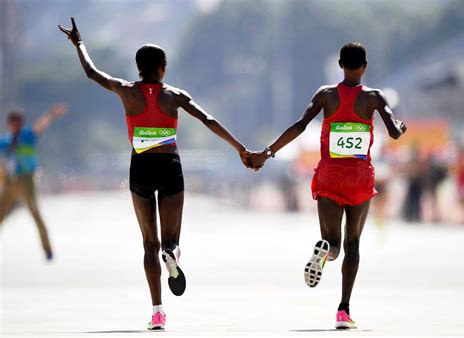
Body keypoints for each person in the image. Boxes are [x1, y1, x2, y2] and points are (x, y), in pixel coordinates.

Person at [59, 17, 250, 330]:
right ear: (163, 66)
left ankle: (158, 312)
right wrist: (241, 149)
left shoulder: (126, 91)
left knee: (148, 244)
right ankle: (172, 253)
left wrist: (79, 43)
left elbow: (92, 73)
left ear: (138, 67)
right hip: (170, 167)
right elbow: (209, 120)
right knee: (169, 240)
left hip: (141, 168)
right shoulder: (173, 96)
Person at [248, 42, 406, 329]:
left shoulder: (326, 95)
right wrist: (398, 124)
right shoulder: (373, 97)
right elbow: (394, 133)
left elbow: (299, 126)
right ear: (364, 67)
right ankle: (343, 311)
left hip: (330, 175)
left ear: (340, 65)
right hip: (359, 178)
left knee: (333, 243)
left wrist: (267, 153)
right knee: (353, 243)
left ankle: (325, 250)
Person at [0, 104, 67, 260]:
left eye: (18, 121)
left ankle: (48, 250)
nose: (15, 124)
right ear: (9, 124)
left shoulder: (27, 136)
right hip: (10, 182)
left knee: (35, 213)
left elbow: (40, 125)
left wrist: (52, 114)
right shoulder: (5, 141)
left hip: (26, 180)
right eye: (13, 122)